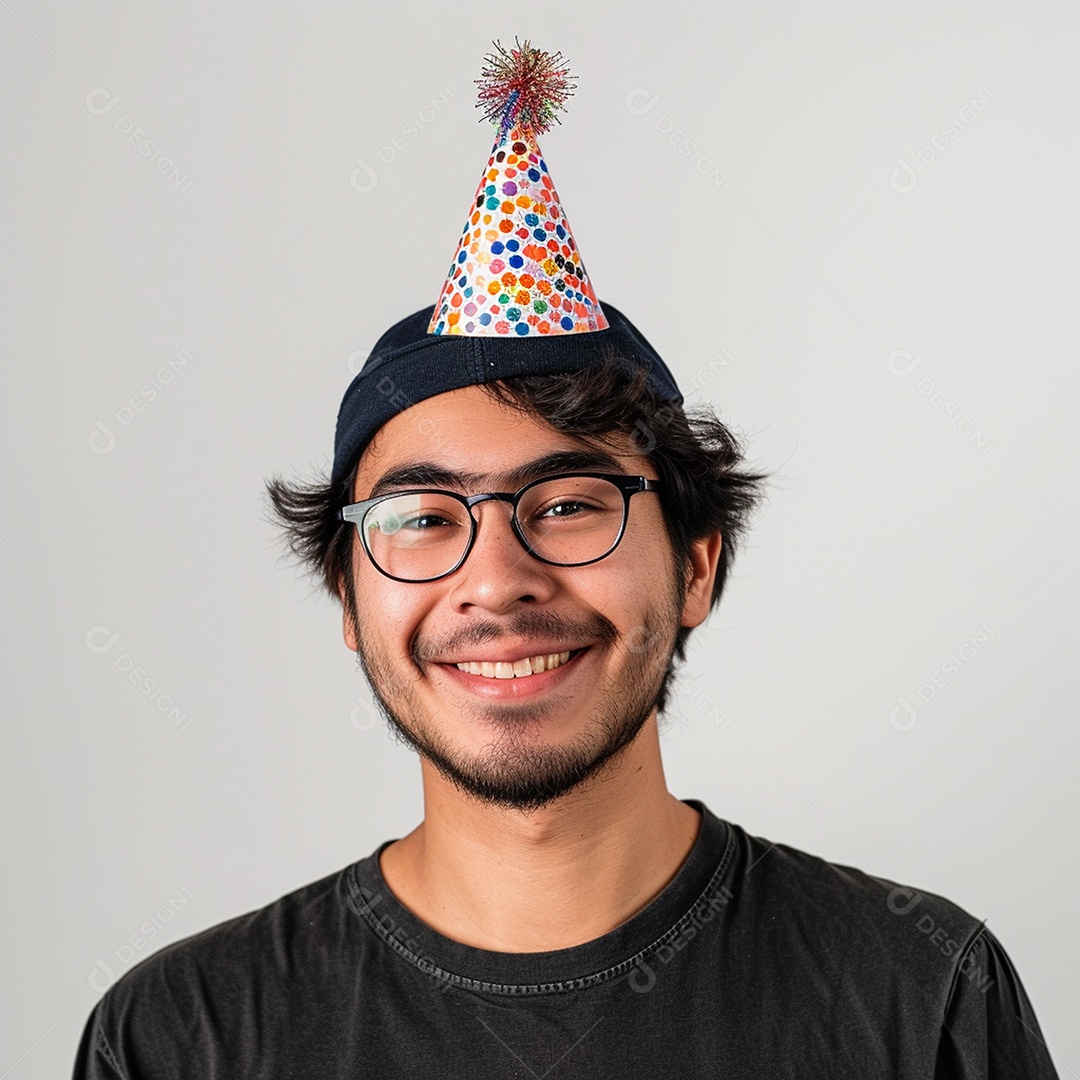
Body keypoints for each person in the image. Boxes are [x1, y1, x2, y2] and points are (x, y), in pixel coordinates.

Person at [73, 41, 1059, 1079]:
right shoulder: (181, 1037)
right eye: (422, 518)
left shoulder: (925, 994)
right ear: (348, 599)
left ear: (696, 569)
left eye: (572, 504)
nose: (496, 580)